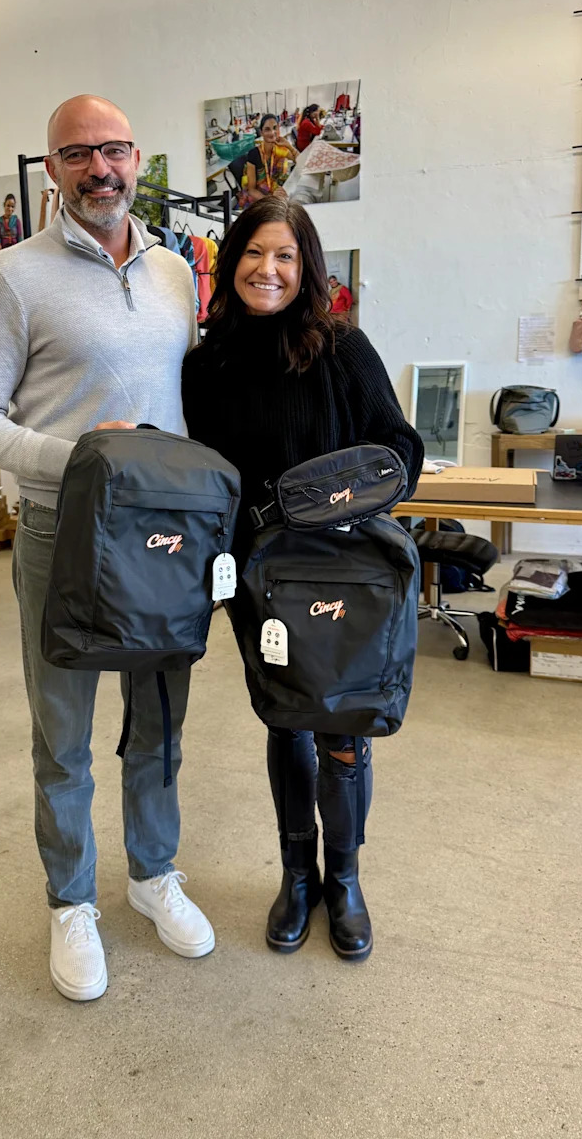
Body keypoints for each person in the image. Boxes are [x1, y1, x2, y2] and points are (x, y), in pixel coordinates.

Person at [0, 94, 210, 1004]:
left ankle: (153, 874)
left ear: (138, 159)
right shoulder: (10, 278)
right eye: (78, 154)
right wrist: (92, 464)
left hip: (164, 537)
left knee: (159, 723)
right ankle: (71, 901)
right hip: (64, 531)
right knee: (64, 734)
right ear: (52, 170)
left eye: (115, 150)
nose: (101, 168)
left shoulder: (174, 273)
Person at [181, 197, 423, 963]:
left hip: (344, 578)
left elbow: (400, 450)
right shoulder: (205, 365)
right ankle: (297, 876)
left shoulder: (342, 349)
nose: (268, 269)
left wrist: (332, 501)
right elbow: (206, 477)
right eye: (254, 253)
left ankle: (344, 881)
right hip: (259, 584)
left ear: (306, 266)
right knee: (285, 720)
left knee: (341, 726)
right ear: (231, 264)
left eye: (284, 255)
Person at [240, 114, 298, 208]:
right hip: (259, 199)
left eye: (275, 128)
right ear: (261, 132)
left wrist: (289, 146)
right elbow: (251, 190)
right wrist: (271, 199)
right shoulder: (254, 154)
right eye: (267, 129)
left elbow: (302, 162)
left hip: (276, 195)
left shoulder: (280, 149)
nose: (272, 132)